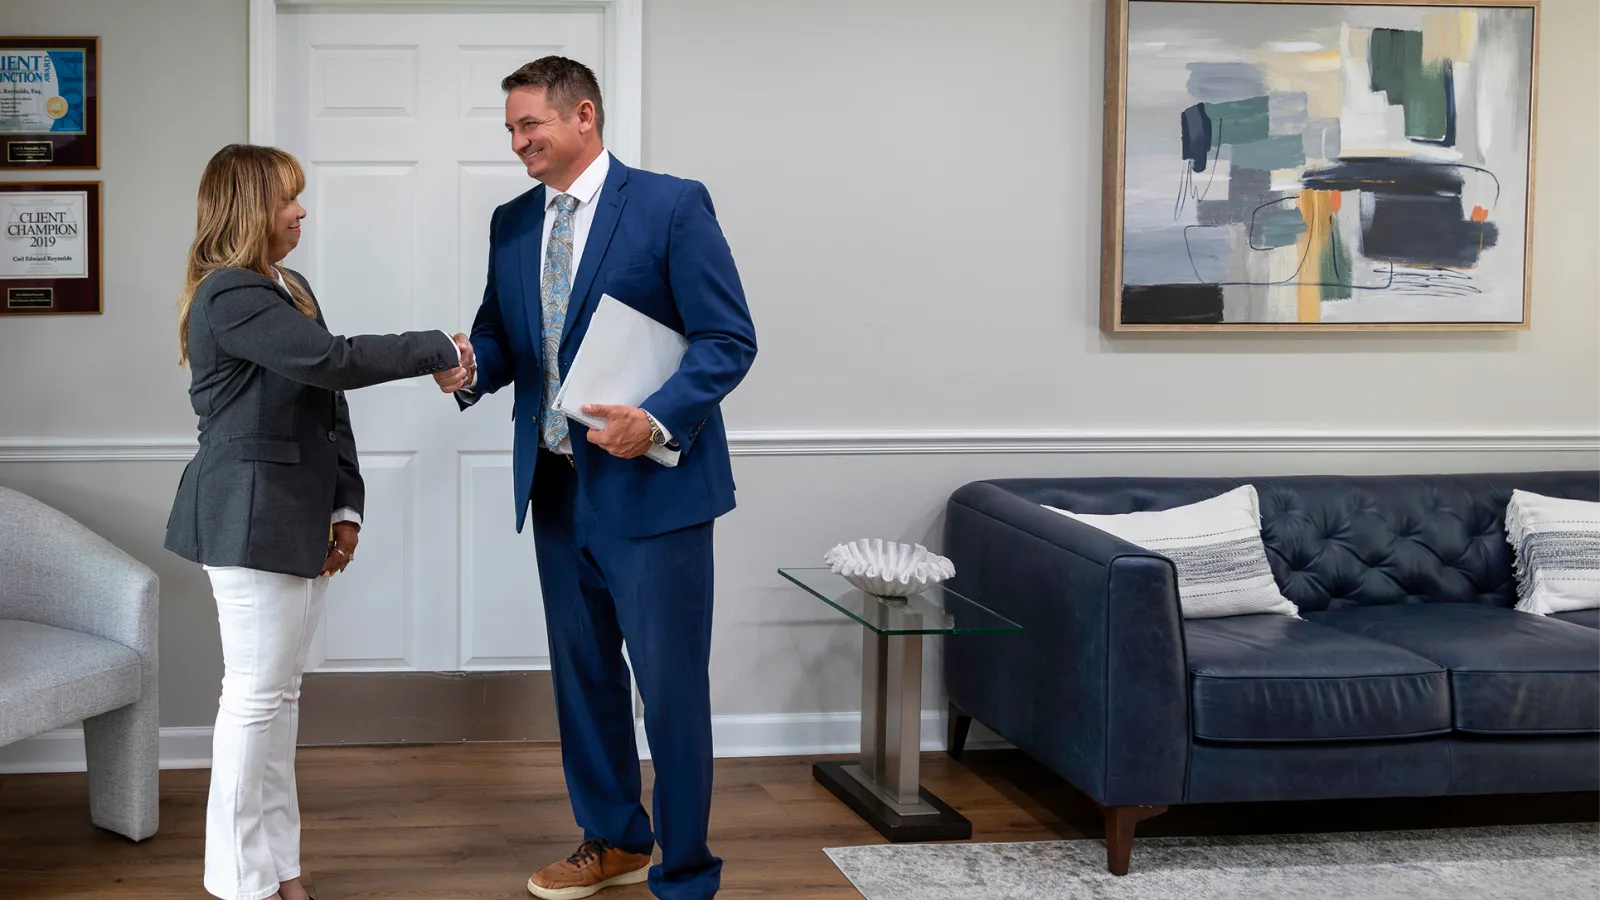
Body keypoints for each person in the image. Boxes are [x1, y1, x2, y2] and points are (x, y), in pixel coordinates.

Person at [435, 57, 756, 900]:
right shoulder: (512, 222)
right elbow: (503, 337)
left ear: (584, 115)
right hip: (555, 491)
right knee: (584, 681)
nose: (517, 143)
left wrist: (655, 418)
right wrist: (470, 366)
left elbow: (728, 339)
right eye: (510, 130)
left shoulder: (670, 206)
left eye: (529, 125)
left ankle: (687, 873)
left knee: (670, 690)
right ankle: (614, 840)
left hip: (654, 491)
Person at [165, 143, 466, 900]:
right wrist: (438, 346)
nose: (301, 211)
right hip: (248, 515)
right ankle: (240, 881)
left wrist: (345, 505)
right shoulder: (229, 293)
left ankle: (280, 869)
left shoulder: (288, 285)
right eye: (286, 199)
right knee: (254, 699)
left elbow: (327, 402)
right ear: (248, 210)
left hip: (298, 513)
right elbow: (333, 361)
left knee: (280, 699)